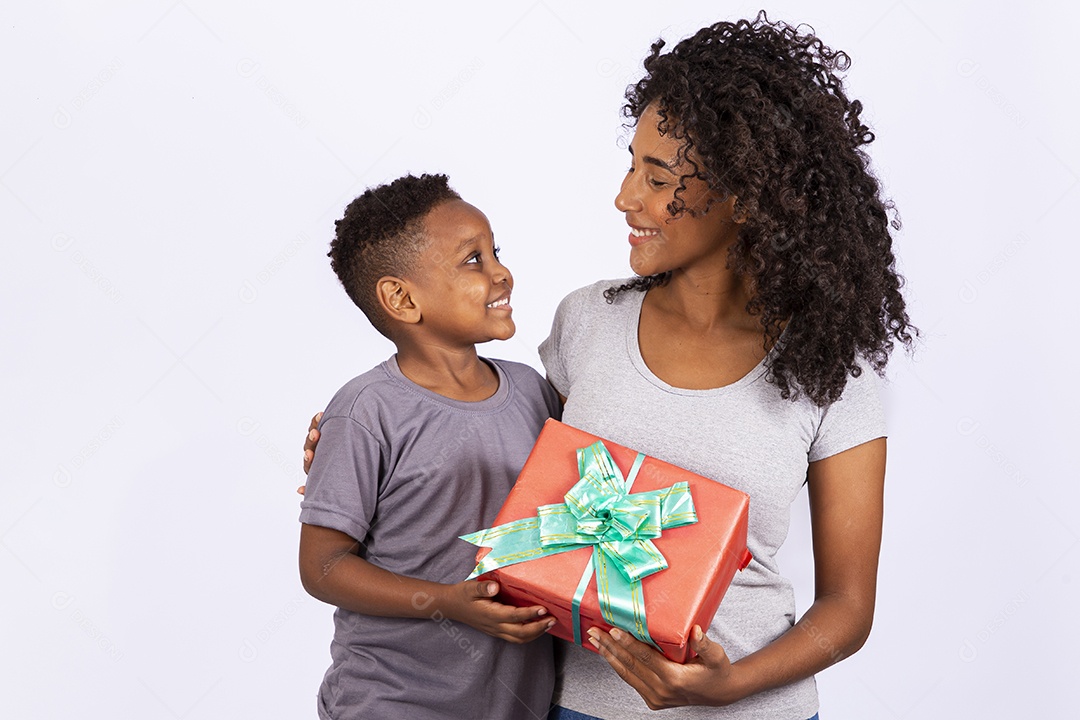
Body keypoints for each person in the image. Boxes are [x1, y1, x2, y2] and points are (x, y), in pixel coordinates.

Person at [303, 13, 914, 720]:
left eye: (657, 177)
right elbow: (520, 472)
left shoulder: (832, 367)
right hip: (578, 708)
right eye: (631, 165)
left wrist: (731, 685)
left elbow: (848, 608)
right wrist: (362, 442)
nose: (625, 197)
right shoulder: (588, 322)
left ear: (745, 194)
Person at [298, 173, 560, 720]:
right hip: (391, 702)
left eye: (496, 253)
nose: (501, 273)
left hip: (516, 704)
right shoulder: (366, 410)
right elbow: (322, 566)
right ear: (401, 298)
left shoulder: (534, 392)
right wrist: (447, 603)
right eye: (473, 260)